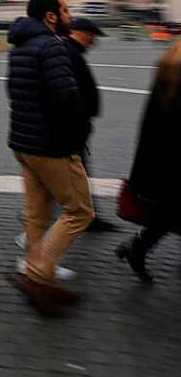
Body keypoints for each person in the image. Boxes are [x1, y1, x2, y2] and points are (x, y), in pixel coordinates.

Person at [7, 0, 92, 313]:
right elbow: (67, 96)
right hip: (52, 145)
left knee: (37, 215)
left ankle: (38, 277)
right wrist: (78, 133)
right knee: (80, 211)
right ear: (51, 16)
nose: (69, 15)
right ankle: (40, 277)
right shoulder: (53, 46)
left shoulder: (19, 48)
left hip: (23, 143)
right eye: (66, 9)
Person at [115, 39, 181, 283]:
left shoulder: (168, 64)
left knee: (169, 214)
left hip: (158, 158)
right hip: (173, 161)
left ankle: (136, 248)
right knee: (170, 214)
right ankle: (136, 249)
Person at [65, 17, 116, 233]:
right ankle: (86, 216)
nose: (93, 42)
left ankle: (87, 213)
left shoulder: (72, 52)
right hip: (72, 127)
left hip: (75, 125)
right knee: (77, 172)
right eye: (92, 36)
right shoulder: (70, 53)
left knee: (76, 171)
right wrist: (80, 119)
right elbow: (70, 92)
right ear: (81, 33)